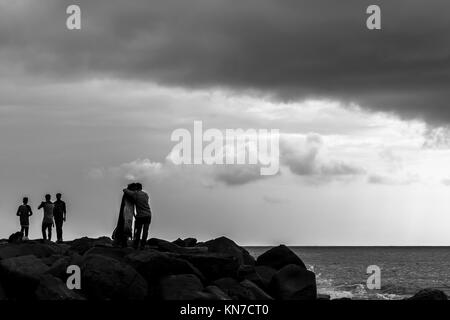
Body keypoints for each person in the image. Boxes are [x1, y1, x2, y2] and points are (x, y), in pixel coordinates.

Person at [123, 183, 152, 249]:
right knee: (145, 231)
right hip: (148, 215)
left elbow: (124, 190)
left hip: (140, 216)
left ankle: (135, 245)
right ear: (141, 188)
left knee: (138, 231)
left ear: (136, 188)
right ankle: (142, 246)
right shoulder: (146, 194)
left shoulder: (135, 194)